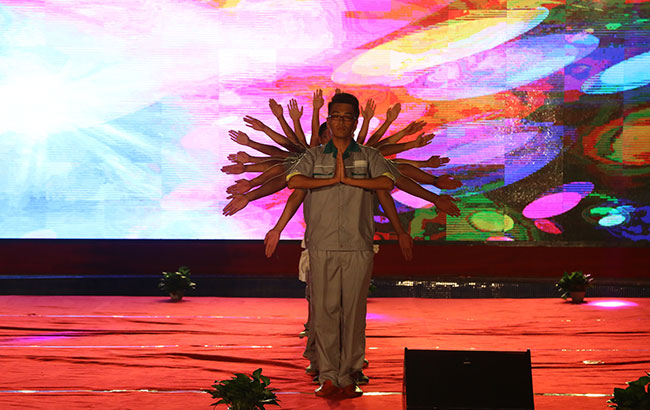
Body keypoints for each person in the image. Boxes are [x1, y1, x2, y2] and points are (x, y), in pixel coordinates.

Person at [285, 92, 402, 398]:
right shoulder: (314, 156)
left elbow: (386, 183)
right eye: (335, 116)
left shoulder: (369, 156)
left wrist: (349, 180)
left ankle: (349, 374)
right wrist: (330, 180)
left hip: (358, 244)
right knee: (324, 312)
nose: (340, 123)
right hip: (322, 244)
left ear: (355, 121)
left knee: (353, 314)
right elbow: (294, 181)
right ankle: (327, 375)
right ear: (328, 119)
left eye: (347, 117)